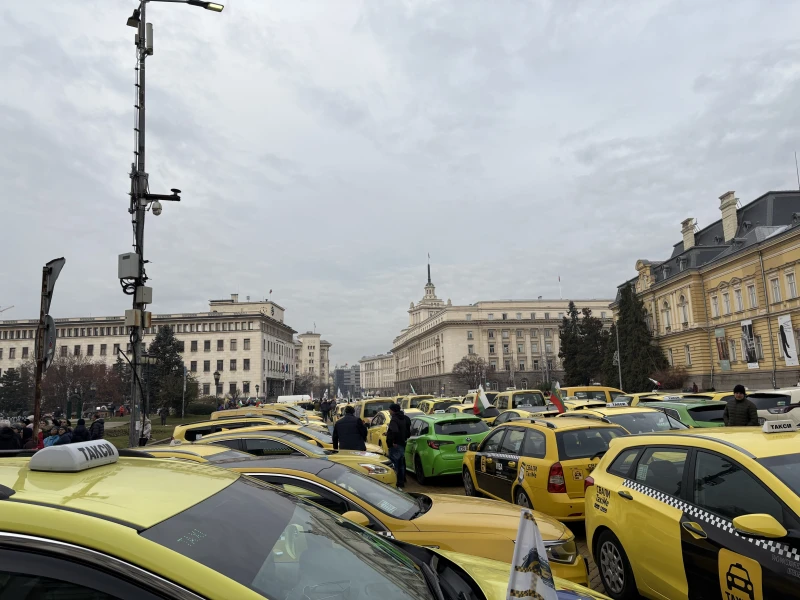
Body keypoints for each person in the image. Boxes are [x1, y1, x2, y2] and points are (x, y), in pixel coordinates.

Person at [386, 403, 412, 490]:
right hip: (402, 443)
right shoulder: (404, 418)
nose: (389, 411)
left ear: (393, 410)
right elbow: (406, 431)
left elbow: (395, 431)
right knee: (401, 464)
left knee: (394, 465)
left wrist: (392, 441)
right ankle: (401, 481)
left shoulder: (394, 420)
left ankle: (395, 482)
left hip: (395, 445)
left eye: (390, 409)